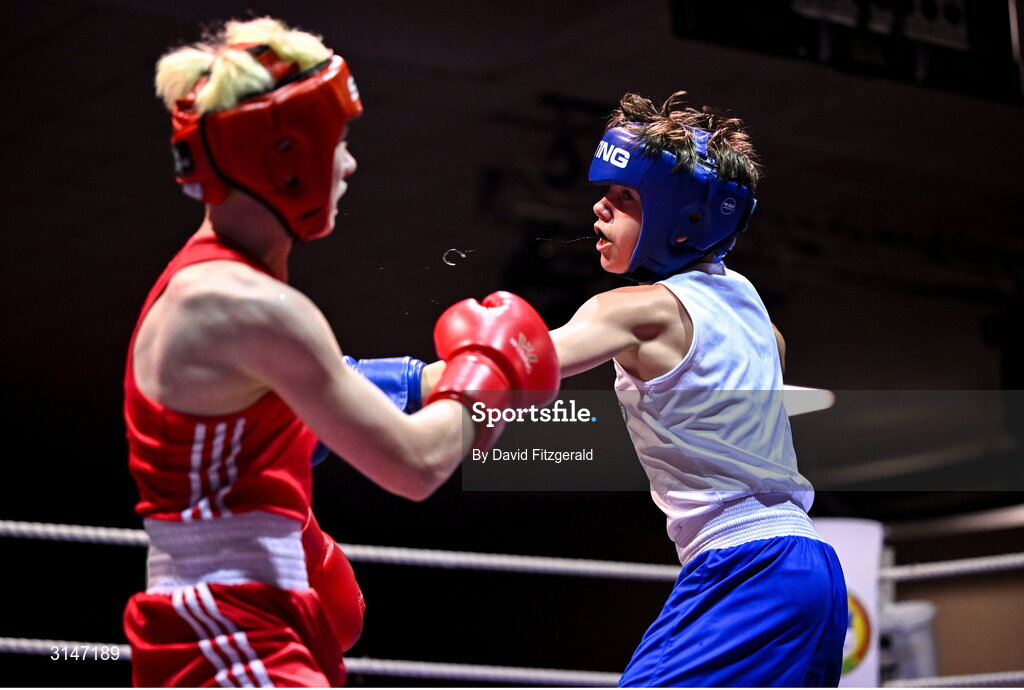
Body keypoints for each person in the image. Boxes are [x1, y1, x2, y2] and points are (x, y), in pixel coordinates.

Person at [122, 17, 559, 688]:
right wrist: (491, 370)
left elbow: (337, 395)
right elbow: (416, 464)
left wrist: (536, 355)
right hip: (230, 632)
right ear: (288, 152)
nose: (349, 164)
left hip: (242, 622)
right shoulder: (244, 306)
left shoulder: (218, 289)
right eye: (340, 141)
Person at [545, 93, 848, 686]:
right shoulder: (756, 312)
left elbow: (511, 367)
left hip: (744, 567)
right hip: (812, 568)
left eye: (624, 196)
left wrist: (371, 380)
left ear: (684, 219)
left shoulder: (634, 311)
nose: (599, 209)